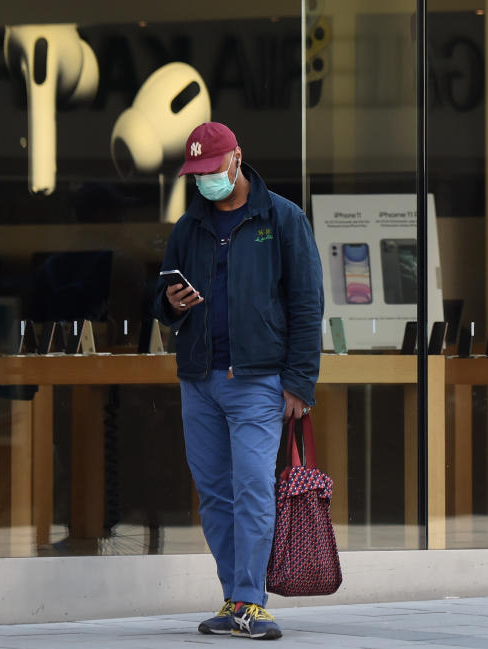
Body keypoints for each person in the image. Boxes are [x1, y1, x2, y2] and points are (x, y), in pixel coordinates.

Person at [153, 122, 323, 640]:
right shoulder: (188, 226)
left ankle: (252, 600)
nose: (205, 180)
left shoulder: (282, 218)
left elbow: (306, 303)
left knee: (252, 488)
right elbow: (162, 299)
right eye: (196, 173)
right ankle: (234, 596)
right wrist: (168, 305)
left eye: (211, 170)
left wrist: (300, 382)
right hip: (199, 380)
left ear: (237, 160)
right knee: (214, 494)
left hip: (258, 382)